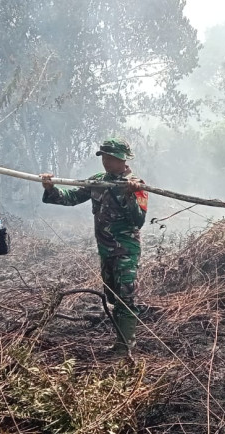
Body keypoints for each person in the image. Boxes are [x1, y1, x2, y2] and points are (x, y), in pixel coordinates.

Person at [40, 138, 148, 354]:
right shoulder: (97, 181)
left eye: (111, 158)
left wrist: (129, 196)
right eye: (104, 157)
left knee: (126, 297)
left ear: (122, 159)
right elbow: (71, 198)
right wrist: (50, 188)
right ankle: (120, 343)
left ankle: (125, 349)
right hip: (105, 250)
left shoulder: (137, 185)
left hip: (126, 251)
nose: (106, 162)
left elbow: (138, 221)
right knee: (113, 296)